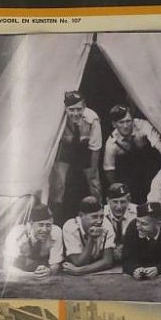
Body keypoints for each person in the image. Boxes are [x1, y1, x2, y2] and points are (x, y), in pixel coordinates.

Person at [50, 90, 103, 224]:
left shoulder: (92, 119)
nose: (75, 113)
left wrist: (92, 172)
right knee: (59, 185)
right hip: (65, 151)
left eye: (79, 109)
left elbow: (95, 148)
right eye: (71, 109)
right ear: (65, 108)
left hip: (84, 150)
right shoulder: (57, 118)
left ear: (84, 107)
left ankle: (98, 215)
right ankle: (56, 219)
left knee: (94, 184)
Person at [103, 105, 161, 203]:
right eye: (121, 122)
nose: (126, 126)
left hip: (147, 162)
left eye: (128, 121)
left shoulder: (142, 125)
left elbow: (158, 144)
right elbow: (109, 169)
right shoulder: (111, 143)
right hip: (130, 170)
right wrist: (118, 187)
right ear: (114, 124)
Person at [122, 203, 161, 280]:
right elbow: (126, 259)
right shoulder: (133, 227)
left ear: (158, 224)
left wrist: (158, 269)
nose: (138, 227)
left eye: (144, 224)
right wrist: (134, 269)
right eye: (138, 221)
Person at [3, 203, 63, 281]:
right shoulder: (16, 234)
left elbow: (55, 264)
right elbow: (7, 269)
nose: (45, 230)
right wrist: (31, 275)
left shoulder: (56, 231)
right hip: (20, 274)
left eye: (48, 225)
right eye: (41, 225)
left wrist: (50, 271)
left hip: (42, 273)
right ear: (31, 224)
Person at [62, 196, 115, 276]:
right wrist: (91, 239)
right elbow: (78, 262)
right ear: (81, 215)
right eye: (94, 217)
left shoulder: (106, 224)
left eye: (101, 216)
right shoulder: (70, 226)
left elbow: (107, 261)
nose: (99, 221)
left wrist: (79, 271)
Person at [103, 182, 138, 264]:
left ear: (129, 199)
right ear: (107, 200)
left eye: (123, 202)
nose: (119, 207)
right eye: (115, 202)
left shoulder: (137, 212)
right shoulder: (101, 214)